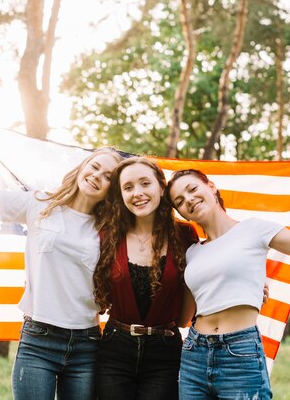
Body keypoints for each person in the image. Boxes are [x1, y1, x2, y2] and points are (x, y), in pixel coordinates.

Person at [0, 123, 122, 400]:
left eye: (109, 176)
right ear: (82, 167)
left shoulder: (112, 228)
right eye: (95, 167)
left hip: (86, 343)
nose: (97, 176)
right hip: (38, 338)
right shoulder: (39, 204)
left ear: (113, 189)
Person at [166, 155, 290, 400]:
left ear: (211, 187)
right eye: (179, 201)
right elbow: (184, 318)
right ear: (182, 213)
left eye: (193, 189)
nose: (189, 200)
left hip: (240, 353)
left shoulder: (254, 229)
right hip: (194, 353)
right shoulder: (192, 252)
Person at [92, 157, 199, 400]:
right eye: (128, 187)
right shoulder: (107, 235)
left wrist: (253, 283)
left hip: (164, 353)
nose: (137, 193)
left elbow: (214, 258)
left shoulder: (185, 235)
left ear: (161, 187)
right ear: (121, 195)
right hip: (114, 349)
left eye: (144, 183)